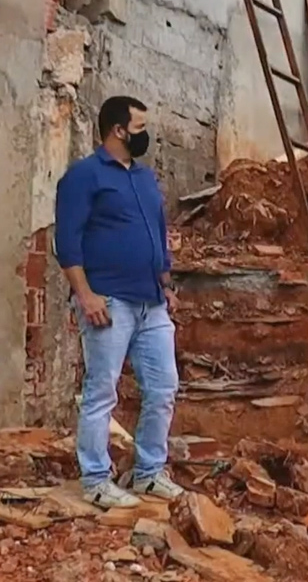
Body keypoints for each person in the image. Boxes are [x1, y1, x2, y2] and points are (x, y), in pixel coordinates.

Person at [55, 96, 184, 508]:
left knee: (164, 387)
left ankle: (147, 473)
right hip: (108, 300)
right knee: (101, 391)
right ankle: (95, 479)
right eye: (140, 127)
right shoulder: (84, 177)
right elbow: (67, 243)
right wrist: (85, 294)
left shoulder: (145, 178)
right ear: (118, 130)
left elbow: (158, 233)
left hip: (151, 302)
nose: (146, 134)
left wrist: (166, 284)